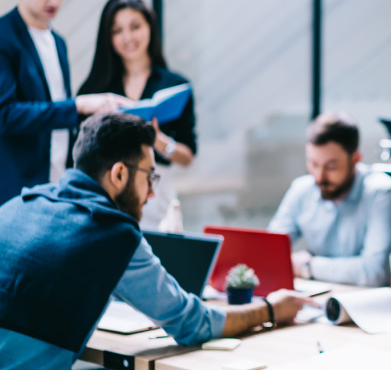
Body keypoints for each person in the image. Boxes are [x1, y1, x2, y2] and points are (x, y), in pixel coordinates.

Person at [0, 112, 314, 368]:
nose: (152, 192)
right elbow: (192, 325)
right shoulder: (112, 235)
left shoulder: (18, 205)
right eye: (149, 176)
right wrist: (270, 310)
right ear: (119, 174)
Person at [0, 0, 131, 205]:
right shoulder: (3, 37)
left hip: (59, 183)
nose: (55, 1)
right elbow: (5, 115)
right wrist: (79, 105)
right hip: (17, 188)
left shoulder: (59, 43)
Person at [78, 0, 197, 229]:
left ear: (149, 28)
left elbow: (188, 156)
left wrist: (158, 141)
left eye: (135, 26)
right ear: (108, 37)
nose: (128, 37)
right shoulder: (97, 89)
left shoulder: (174, 86)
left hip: (157, 195)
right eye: (117, 30)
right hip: (107, 194)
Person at [269, 112, 391, 286]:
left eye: (331, 166)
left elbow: (375, 272)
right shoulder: (301, 189)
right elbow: (270, 253)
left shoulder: (382, 193)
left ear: (356, 159)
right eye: (313, 164)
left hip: (363, 301)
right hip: (316, 293)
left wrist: (308, 266)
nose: (319, 176)